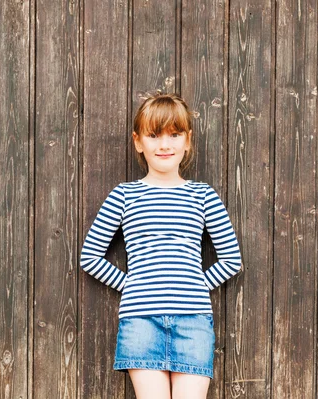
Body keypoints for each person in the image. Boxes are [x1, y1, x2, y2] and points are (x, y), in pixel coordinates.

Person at [80, 92, 242, 399]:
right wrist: (132, 285)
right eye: (154, 136)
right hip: (141, 322)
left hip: (193, 323)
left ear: (187, 140)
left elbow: (231, 260)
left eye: (174, 134)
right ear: (139, 142)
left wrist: (193, 284)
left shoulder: (203, 195)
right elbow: (90, 257)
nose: (164, 144)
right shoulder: (124, 196)